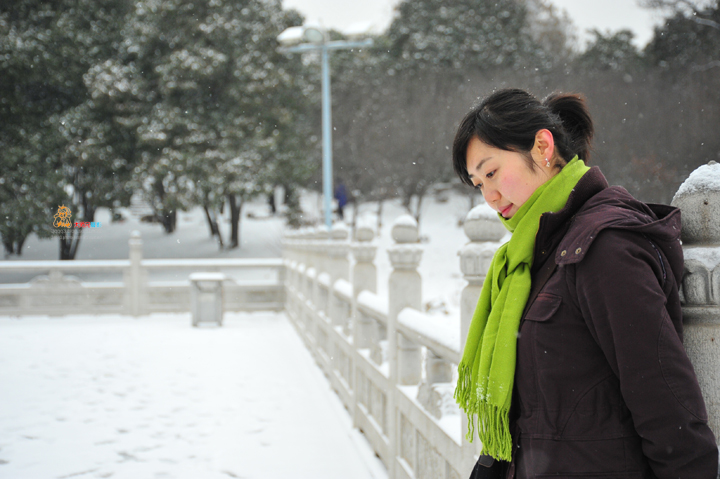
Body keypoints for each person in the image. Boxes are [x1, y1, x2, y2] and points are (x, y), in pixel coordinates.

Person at [451, 88, 719, 479]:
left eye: (491, 172)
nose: (489, 196)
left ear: (543, 146)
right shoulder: (529, 259)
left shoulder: (604, 247)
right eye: (477, 184)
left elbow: (666, 407)